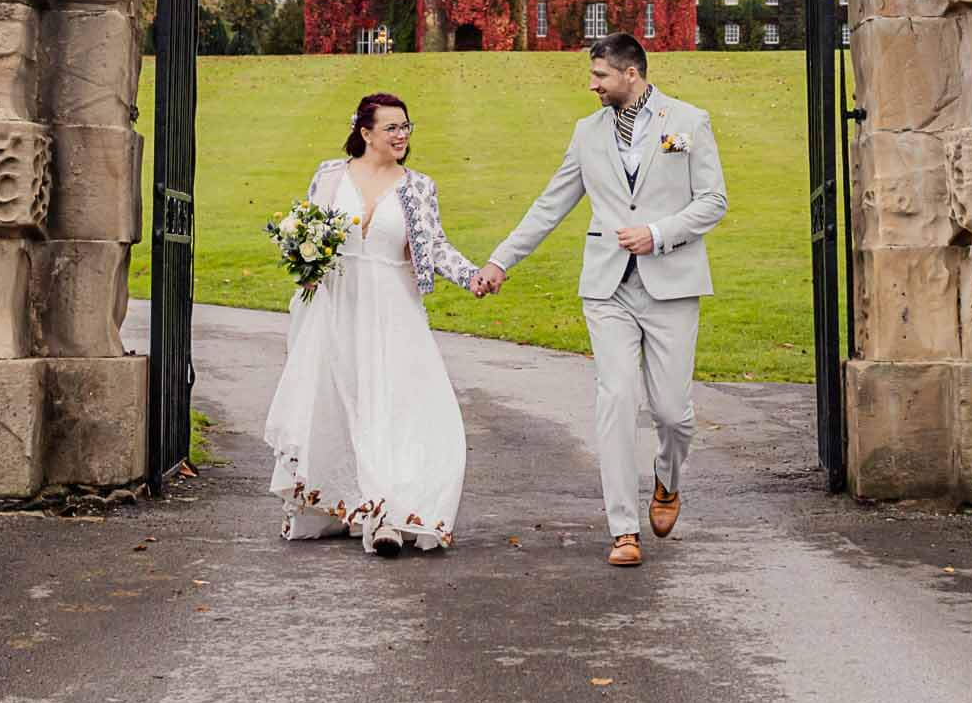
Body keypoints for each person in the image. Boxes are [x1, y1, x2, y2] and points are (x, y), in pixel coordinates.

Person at [476, 33, 727, 567]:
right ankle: (623, 529)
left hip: (672, 284)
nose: (591, 86)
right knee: (615, 399)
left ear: (630, 73)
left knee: (672, 413)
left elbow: (713, 201)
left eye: (600, 77)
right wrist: (501, 260)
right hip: (607, 288)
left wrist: (658, 233)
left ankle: (667, 480)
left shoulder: (688, 122)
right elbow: (551, 204)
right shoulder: (586, 134)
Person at [263, 90, 488, 556]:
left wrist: (473, 276)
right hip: (336, 306)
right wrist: (303, 262)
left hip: (393, 308)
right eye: (392, 127)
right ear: (365, 133)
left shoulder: (418, 187)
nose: (402, 134)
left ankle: (387, 514)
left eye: (406, 126)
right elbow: (306, 231)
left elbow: (436, 246)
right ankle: (350, 505)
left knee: (393, 406)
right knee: (339, 405)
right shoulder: (329, 176)